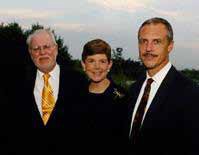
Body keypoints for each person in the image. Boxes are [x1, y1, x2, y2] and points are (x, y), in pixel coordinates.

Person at [127, 17, 199, 155]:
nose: (148, 48)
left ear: (170, 46)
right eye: (143, 41)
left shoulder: (190, 93)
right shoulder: (134, 89)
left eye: (156, 42)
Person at [13, 29, 87, 154]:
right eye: (36, 49)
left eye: (46, 47)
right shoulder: (17, 84)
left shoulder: (79, 82)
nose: (42, 52)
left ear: (56, 49)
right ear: (30, 53)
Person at [81, 39, 128, 154]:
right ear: (83, 64)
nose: (97, 67)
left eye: (102, 61)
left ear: (109, 65)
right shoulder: (74, 96)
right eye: (91, 61)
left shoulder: (123, 99)